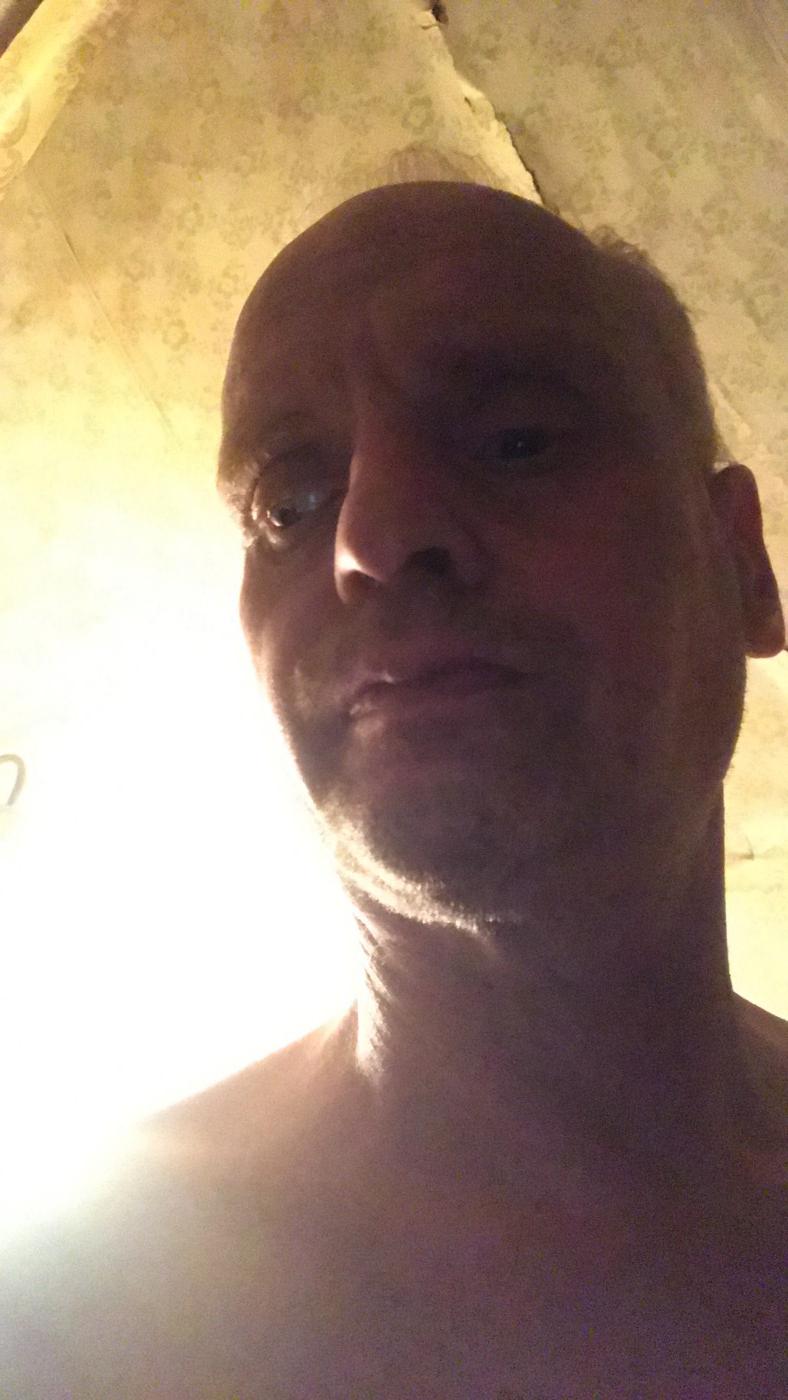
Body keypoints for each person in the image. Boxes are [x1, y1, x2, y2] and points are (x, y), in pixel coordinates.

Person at [2, 180, 786, 1398]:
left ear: (738, 559)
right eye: (288, 503)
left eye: (515, 438)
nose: (370, 537)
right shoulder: (69, 1335)